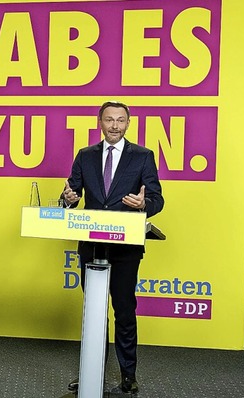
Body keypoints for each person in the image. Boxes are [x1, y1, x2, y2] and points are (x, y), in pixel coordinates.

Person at [62, 101, 164, 394]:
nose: (115, 125)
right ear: (100, 122)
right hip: (92, 246)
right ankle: (91, 372)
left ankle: (128, 374)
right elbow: (73, 194)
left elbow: (157, 199)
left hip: (125, 249)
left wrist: (145, 204)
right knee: (94, 313)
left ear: (128, 123)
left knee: (123, 310)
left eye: (120, 120)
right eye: (109, 120)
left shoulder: (143, 157)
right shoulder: (85, 156)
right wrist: (68, 198)